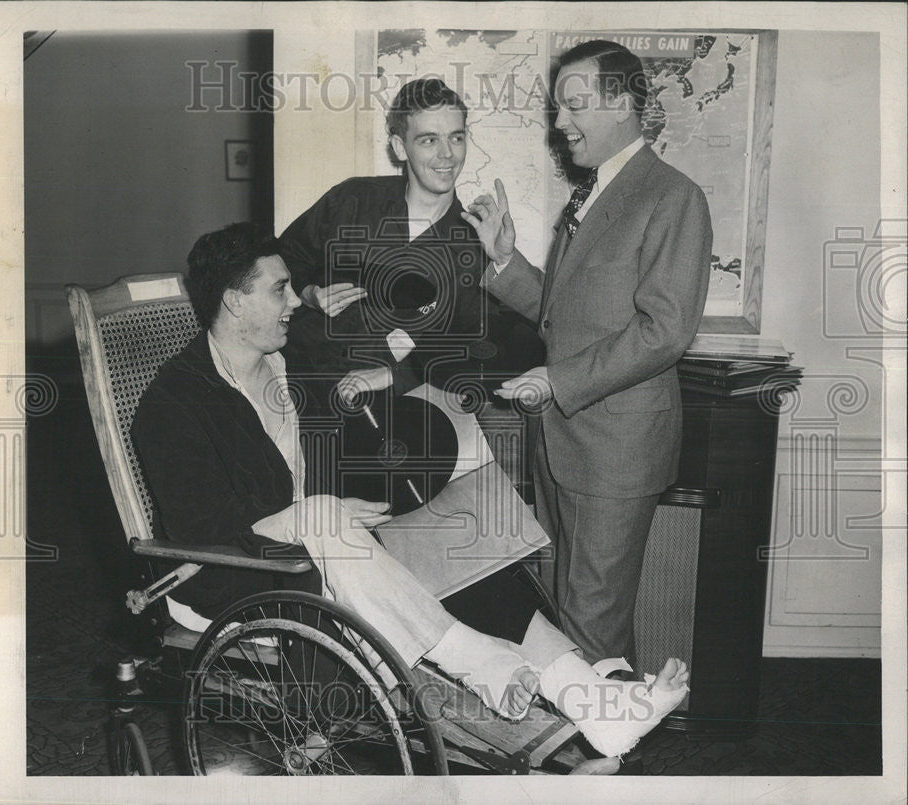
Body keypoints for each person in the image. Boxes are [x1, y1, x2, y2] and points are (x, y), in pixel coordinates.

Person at [131, 221, 691, 759]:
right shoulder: (173, 404)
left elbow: (360, 442)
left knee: (448, 533)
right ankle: (482, 663)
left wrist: (402, 471)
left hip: (331, 549)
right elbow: (205, 529)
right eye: (279, 290)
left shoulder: (287, 368)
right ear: (234, 302)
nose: (297, 301)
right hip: (240, 573)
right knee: (326, 516)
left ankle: (593, 704)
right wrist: (320, 513)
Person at [462, 40, 713, 666]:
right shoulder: (597, 190)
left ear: (623, 104)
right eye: (558, 108)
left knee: (591, 620)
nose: (560, 123)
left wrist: (557, 380)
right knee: (567, 612)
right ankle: (589, 747)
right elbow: (564, 314)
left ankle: (591, 758)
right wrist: (502, 259)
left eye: (574, 106)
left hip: (615, 452)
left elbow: (665, 330)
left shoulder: (671, 196)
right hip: (568, 442)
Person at [277, 76, 547, 651]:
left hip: (401, 426)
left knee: (420, 565)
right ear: (399, 145)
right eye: (428, 140)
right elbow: (280, 260)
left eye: (456, 138)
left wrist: (399, 372)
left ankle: (431, 681)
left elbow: (513, 345)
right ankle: (325, 697)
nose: (446, 156)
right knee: (323, 562)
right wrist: (307, 292)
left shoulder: (473, 238)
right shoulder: (352, 200)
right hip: (310, 404)